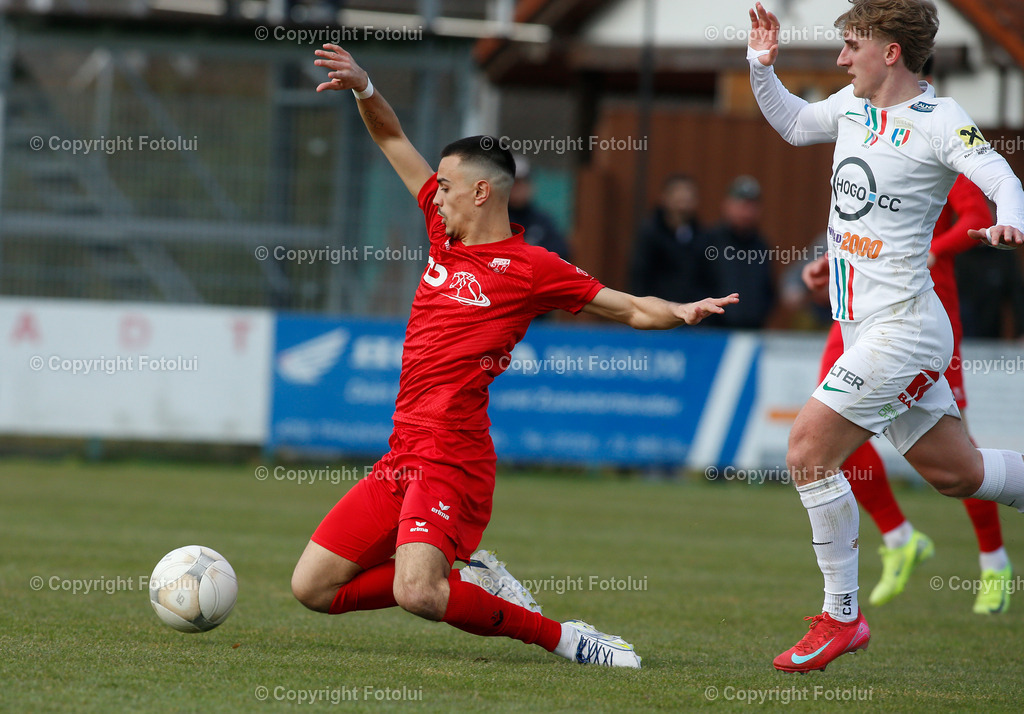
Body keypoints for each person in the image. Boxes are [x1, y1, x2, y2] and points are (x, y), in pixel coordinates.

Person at [292, 42, 739, 669]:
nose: (433, 193)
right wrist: (366, 88)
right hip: (403, 452)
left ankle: (565, 637)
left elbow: (628, 306)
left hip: (453, 454)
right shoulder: (440, 230)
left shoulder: (532, 268)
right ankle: (464, 576)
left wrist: (685, 311)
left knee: (417, 591)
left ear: (480, 192)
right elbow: (392, 138)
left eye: (444, 185)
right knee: (312, 589)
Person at [747, 0, 1024, 673]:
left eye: (852, 46)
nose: (842, 59)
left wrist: (1010, 219)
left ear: (890, 52)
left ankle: (841, 616)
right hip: (863, 324)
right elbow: (790, 124)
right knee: (955, 474)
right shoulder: (849, 105)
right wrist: (761, 66)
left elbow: (1000, 177)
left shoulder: (939, 119)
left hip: (903, 329)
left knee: (808, 447)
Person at [817, 173, 1014, 615]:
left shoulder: (937, 149)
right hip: (857, 313)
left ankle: (994, 560)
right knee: (823, 426)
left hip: (924, 314)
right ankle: (899, 536)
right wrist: (830, 264)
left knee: (956, 449)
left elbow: (978, 216)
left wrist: (935, 251)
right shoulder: (864, 146)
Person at [702, 175, 777, 329]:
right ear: (726, 205)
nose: (747, 212)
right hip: (712, 332)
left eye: (752, 206)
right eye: (741, 205)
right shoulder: (709, 241)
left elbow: (768, 289)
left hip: (752, 332)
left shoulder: (761, 245)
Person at [630, 174, 711, 304]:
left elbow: (707, 278)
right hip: (657, 311)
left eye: (688, 196)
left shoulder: (702, 236)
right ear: (665, 198)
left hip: (693, 313)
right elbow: (640, 275)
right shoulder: (650, 233)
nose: (683, 202)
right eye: (678, 196)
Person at [508, 155, 571, 260]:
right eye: (514, 183)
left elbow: (562, 252)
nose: (517, 189)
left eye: (522, 183)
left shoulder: (542, 221)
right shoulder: (496, 219)